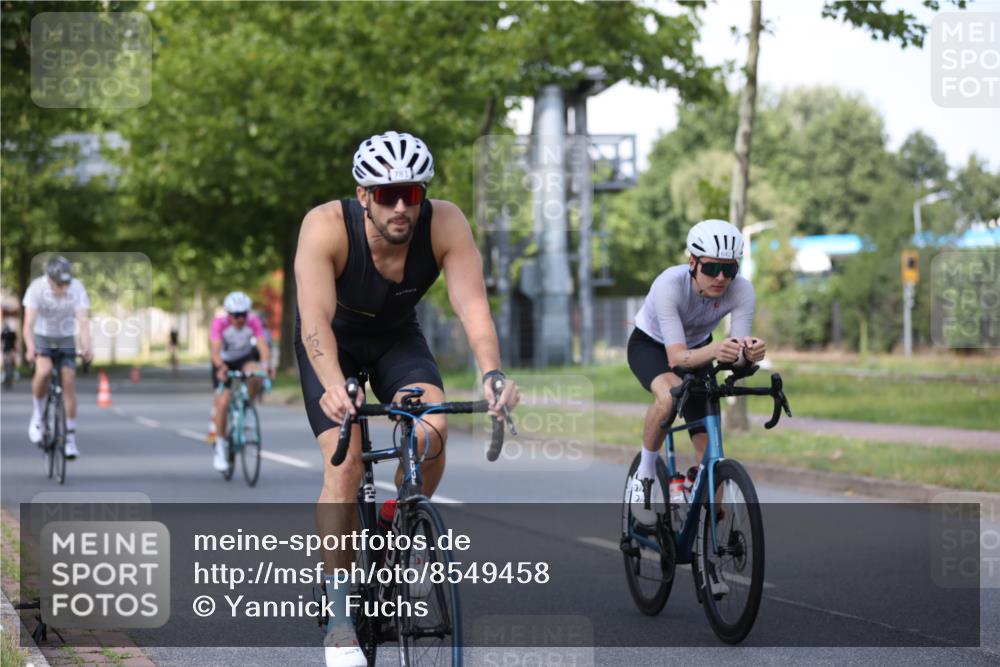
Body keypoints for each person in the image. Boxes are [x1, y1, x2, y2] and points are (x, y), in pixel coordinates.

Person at [294, 130, 520, 667]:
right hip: (332, 345)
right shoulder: (325, 226)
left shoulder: (446, 223)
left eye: (412, 194)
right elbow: (315, 322)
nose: (401, 207)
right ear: (364, 194)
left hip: (397, 339)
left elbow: (473, 310)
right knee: (345, 465)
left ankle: (400, 524)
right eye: (388, 194)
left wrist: (492, 373)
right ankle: (340, 617)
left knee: (433, 431)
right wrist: (332, 383)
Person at [626, 219, 767, 524]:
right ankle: (645, 475)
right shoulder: (669, 285)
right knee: (668, 396)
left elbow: (737, 363)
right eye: (711, 268)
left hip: (700, 349)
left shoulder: (741, 291)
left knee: (711, 454)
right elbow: (676, 358)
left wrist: (748, 355)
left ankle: (705, 538)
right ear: (692, 262)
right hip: (651, 347)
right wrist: (719, 350)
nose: (720, 278)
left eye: (729, 269)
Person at [22, 256, 93, 459]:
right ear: (49, 280)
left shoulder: (77, 289)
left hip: (65, 337)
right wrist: (30, 348)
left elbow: (83, 321)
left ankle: (70, 438)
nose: (63, 289)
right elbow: (27, 325)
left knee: (68, 379)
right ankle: (37, 416)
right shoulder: (36, 289)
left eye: (66, 284)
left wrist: (87, 346)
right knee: (43, 371)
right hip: (42, 335)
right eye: (59, 284)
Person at [209, 291, 274, 472]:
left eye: (243, 314)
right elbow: (215, 351)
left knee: (258, 373)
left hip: (244, 359)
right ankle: (220, 448)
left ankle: (247, 407)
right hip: (224, 362)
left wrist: (267, 365)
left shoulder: (253, 321)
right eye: (236, 315)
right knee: (223, 402)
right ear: (228, 314)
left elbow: (262, 346)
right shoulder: (219, 323)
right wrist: (221, 367)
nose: (240, 319)